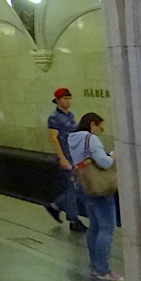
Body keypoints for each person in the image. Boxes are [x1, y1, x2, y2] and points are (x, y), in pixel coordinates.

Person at [69, 112, 122, 281]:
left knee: (94, 226)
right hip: (99, 187)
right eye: (100, 126)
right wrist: (113, 156)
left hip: (84, 186)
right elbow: (104, 162)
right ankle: (103, 269)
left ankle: (94, 265)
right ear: (93, 124)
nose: (100, 130)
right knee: (107, 228)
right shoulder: (90, 139)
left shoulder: (73, 138)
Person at [45, 88, 86, 232]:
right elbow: (53, 138)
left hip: (73, 156)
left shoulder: (71, 116)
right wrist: (62, 158)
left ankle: (55, 206)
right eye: (64, 98)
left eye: (69, 98)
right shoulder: (54, 118)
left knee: (76, 187)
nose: (67, 101)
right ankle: (73, 220)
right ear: (57, 101)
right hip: (65, 157)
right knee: (72, 188)